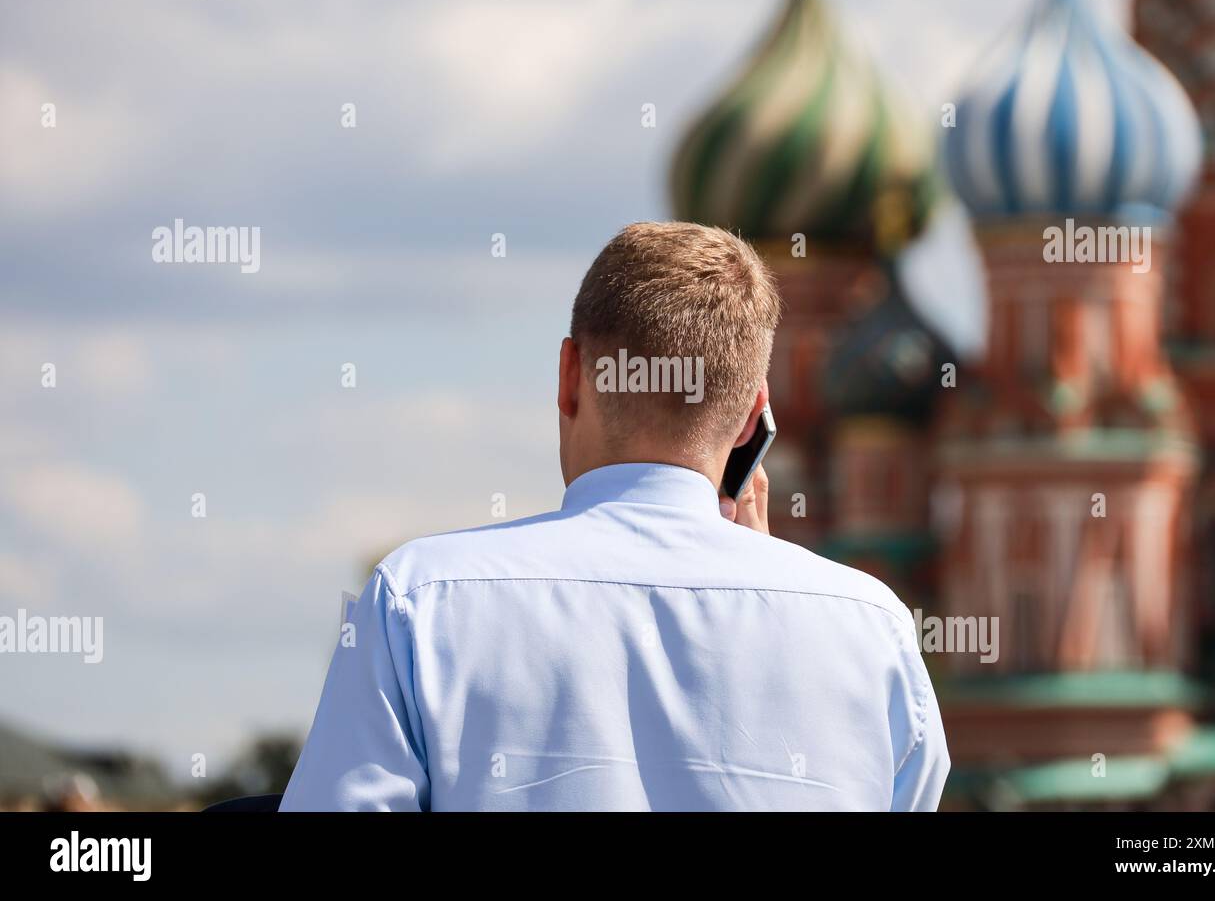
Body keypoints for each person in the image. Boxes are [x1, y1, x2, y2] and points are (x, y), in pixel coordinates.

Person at [280, 222, 949, 811]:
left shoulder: (420, 599)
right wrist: (777, 596)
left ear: (571, 376)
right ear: (753, 414)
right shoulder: (870, 629)